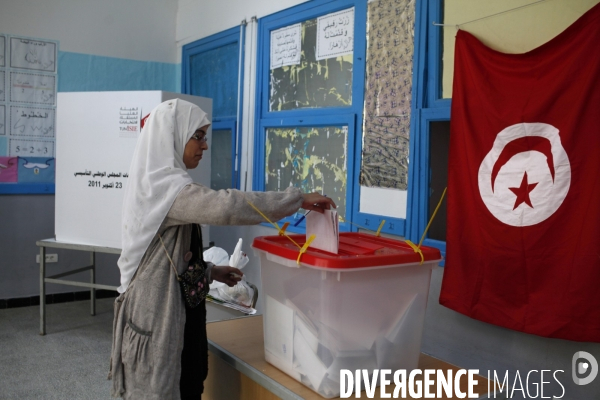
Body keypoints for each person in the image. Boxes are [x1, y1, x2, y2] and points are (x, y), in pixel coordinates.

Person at [108, 98, 335, 399]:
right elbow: (227, 206)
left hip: (178, 312)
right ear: (172, 136)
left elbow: (170, 260)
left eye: (205, 137)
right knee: (160, 389)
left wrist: (211, 272)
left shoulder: (166, 186)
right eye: (197, 136)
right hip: (154, 315)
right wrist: (295, 199)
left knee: (188, 381)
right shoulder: (163, 189)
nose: (204, 146)